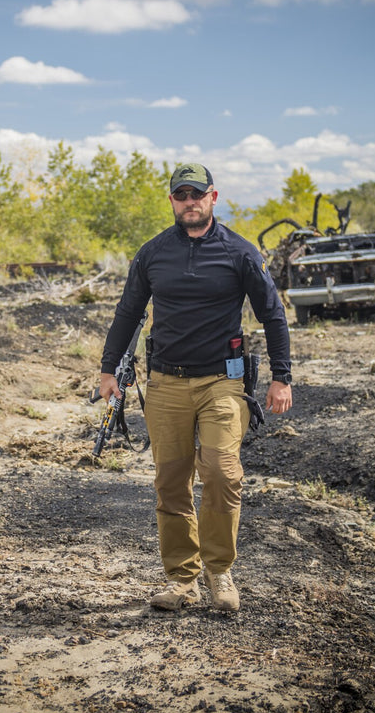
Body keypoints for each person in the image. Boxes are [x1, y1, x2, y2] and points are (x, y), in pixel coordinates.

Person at [98, 162, 293, 612]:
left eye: (197, 194)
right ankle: (182, 580)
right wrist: (109, 371)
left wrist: (282, 377)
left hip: (222, 382)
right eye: (181, 195)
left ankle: (219, 572)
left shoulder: (240, 253)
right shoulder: (152, 254)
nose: (190, 202)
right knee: (171, 483)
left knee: (223, 474)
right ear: (172, 201)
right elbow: (128, 313)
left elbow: (273, 315)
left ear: (213, 197)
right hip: (165, 383)